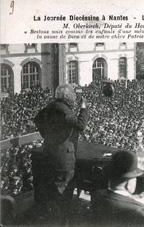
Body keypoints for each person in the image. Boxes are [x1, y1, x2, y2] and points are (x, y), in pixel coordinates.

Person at [33, 84, 88, 223]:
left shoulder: (50, 107)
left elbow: (37, 119)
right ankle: (61, 221)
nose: (75, 98)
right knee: (63, 191)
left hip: (49, 152)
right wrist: (83, 107)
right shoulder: (63, 110)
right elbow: (80, 125)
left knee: (52, 189)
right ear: (68, 97)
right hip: (63, 157)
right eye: (73, 96)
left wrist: (47, 136)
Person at [91, 150, 144, 226]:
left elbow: (119, 201)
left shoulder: (97, 195)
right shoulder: (140, 211)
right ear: (128, 181)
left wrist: (132, 200)